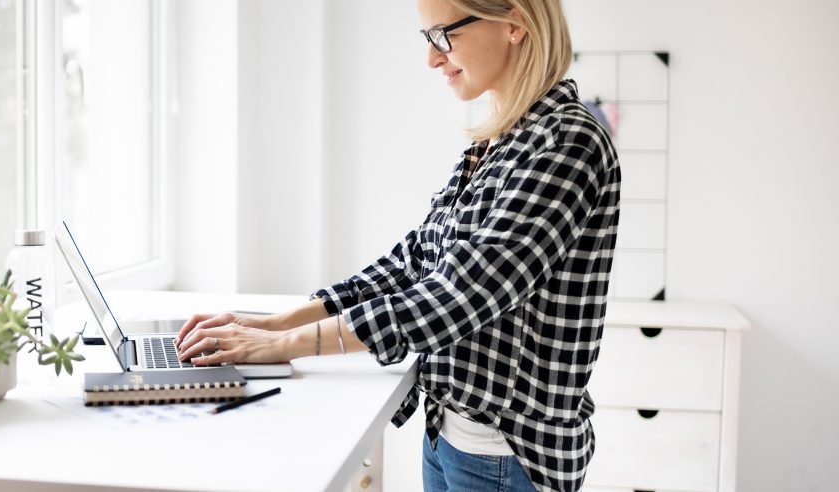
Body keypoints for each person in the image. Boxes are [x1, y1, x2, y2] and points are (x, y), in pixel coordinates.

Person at [175, 0, 620, 490]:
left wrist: (283, 346)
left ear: (514, 24)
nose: (432, 59)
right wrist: (278, 322)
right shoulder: (496, 141)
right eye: (427, 38)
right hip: (449, 434)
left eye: (444, 35)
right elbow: (414, 262)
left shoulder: (567, 140)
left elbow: (461, 292)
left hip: (508, 454)